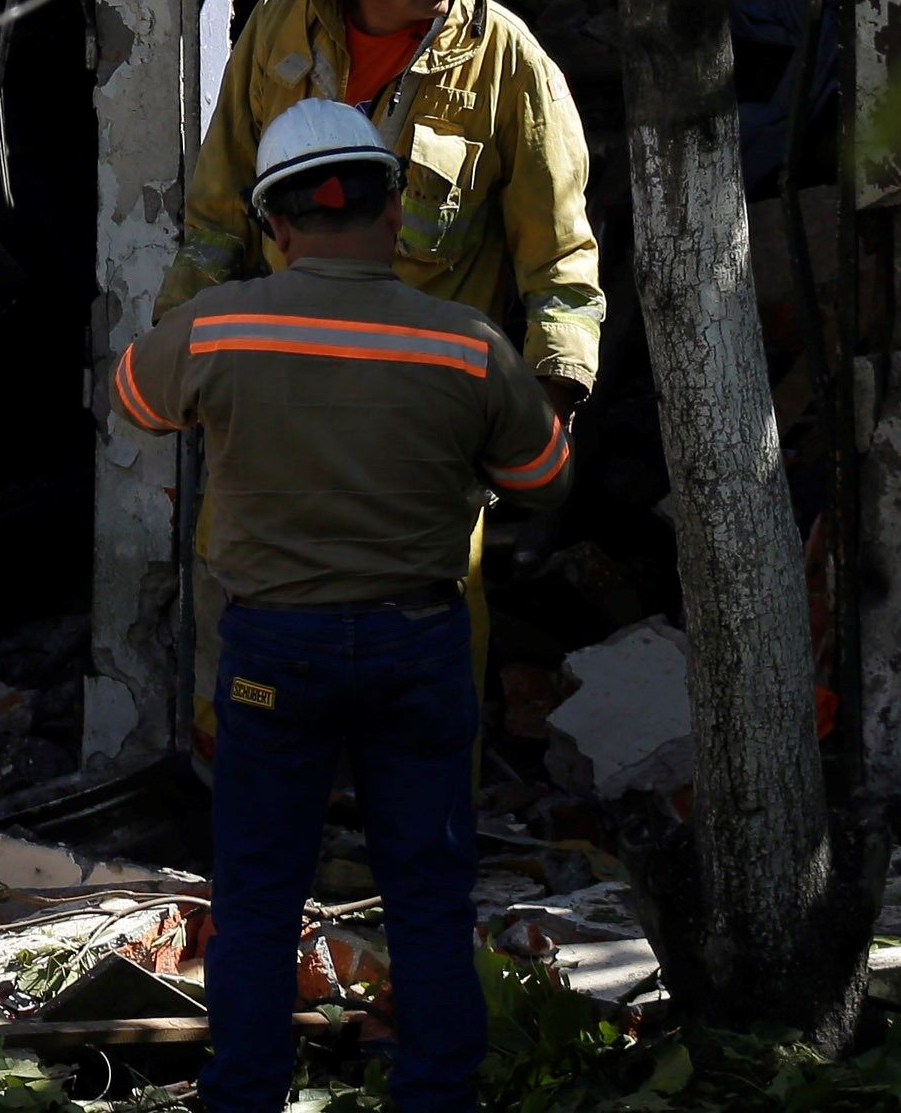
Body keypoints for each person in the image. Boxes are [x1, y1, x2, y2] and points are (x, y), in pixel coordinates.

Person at [110, 98, 572, 1113]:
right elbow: (544, 474)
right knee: (429, 894)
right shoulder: (467, 345)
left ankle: (244, 1097)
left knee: (259, 893)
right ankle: (436, 1097)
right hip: (420, 645)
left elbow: (136, 398)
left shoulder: (221, 326)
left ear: (275, 226)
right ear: (394, 210)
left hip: (275, 652)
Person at [157, 0, 601, 415]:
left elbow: (559, 259)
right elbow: (218, 218)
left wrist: (553, 402)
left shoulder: (506, 61)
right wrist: (176, 343)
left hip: (429, 416)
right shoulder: (278, 24)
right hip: (284, 399)